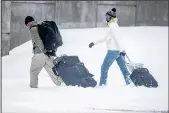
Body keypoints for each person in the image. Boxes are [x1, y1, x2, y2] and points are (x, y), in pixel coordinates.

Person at [89, 8, 132, 86]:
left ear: (110, 18)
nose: (106, 18)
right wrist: (94, 43)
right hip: (117, 51)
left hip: (113, 52)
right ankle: (129, 82)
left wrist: (123, 50)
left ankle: (102, 85)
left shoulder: (113, 26)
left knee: (104, 68)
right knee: (124, 69)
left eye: (107, 17)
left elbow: (118, 38)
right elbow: (105, 38)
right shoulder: (111, 26)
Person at [25, 16, 62, 88]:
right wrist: (47, 52)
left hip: (40, 54)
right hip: (47, 53)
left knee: (33, 72)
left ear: (29, 23)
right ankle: (61, 84)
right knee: (52, 71)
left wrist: (44, 51)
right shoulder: (40, 27)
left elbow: (38, 41)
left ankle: (33, 88)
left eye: (26, 24)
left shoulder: (33, 29)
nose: (27, 26)